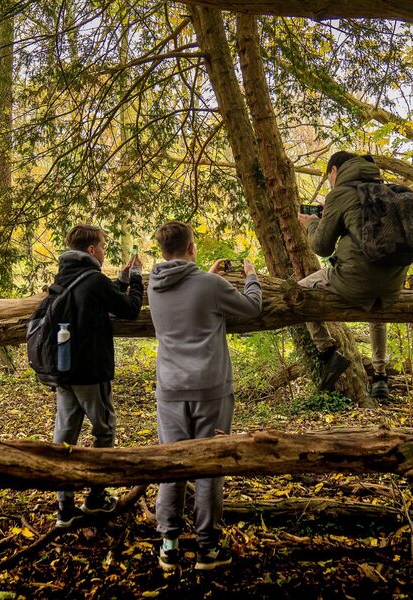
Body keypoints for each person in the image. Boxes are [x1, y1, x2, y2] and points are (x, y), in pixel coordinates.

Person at [147, 220, 262, 572]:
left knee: (173, 466)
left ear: (163, 250)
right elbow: (251, 307)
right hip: (211, 389)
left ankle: (168, 545)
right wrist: (252, 276)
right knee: (210, 468)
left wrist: (207, 276)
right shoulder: (211, 285)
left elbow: (187, 289)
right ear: (191, 247)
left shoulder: (153, 286)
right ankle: (208, 549)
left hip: (170, 390)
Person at [51, 224, 144, 528]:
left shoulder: (64, 277)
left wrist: (122, 279)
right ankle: (95, 498)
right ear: (91, 250)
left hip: (63, 370)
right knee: (104, 431)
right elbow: (129, 308)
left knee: (64, 436)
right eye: (103, 245)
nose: (105, 250)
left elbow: (100, 296)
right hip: (91, 372)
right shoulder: (92, 279)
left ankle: (64, 508)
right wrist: (138, 280)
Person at [297, 151, 409, 400]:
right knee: (376, 309)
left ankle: (327, 352)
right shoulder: (388, 192)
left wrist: (312, 223)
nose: (330, 182)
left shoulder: (340, 193)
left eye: (328, 177)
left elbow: (322, 247)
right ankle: (380, 376)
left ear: (334, 171)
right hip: (393, 286)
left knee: (300, 291)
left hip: (354, 282)